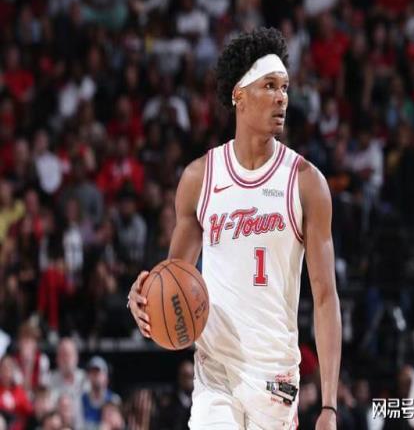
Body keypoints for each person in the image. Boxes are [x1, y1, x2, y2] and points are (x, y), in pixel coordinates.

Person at [127, 27, 342, 429]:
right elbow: (173, 279)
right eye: (270, 86)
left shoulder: (306, 182)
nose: (282, 97)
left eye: (285, 87)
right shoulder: (200, 178)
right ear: (238, 95)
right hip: (215, 369)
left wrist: (329, 405)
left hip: (275, 376)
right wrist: (142, 302)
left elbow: (326, 297)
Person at [81, 356, 120, 429]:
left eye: (98, 373)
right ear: (88, 376)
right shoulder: (81, 400)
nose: (96, 376)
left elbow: (117, 425)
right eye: (93, 373)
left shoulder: (114, 400)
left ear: (106, 377)